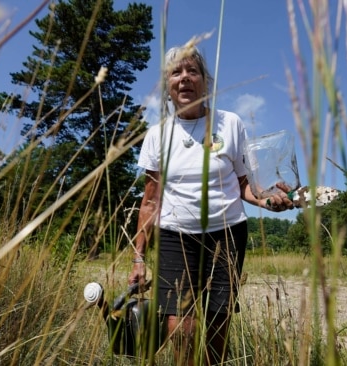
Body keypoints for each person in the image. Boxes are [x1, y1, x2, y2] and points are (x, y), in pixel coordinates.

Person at [128, 45, 293, 365]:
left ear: (206, 81)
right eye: (176, 72)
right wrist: (138, 256)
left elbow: (246, 184)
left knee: (218, 327)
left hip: (227, 235)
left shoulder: (230, 124)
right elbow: (151, 200)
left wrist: (269, 199)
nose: (185, 78)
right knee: (180, 327)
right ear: (167, 85)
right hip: (175, 237)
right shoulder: (157, 135)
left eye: (192, 71)